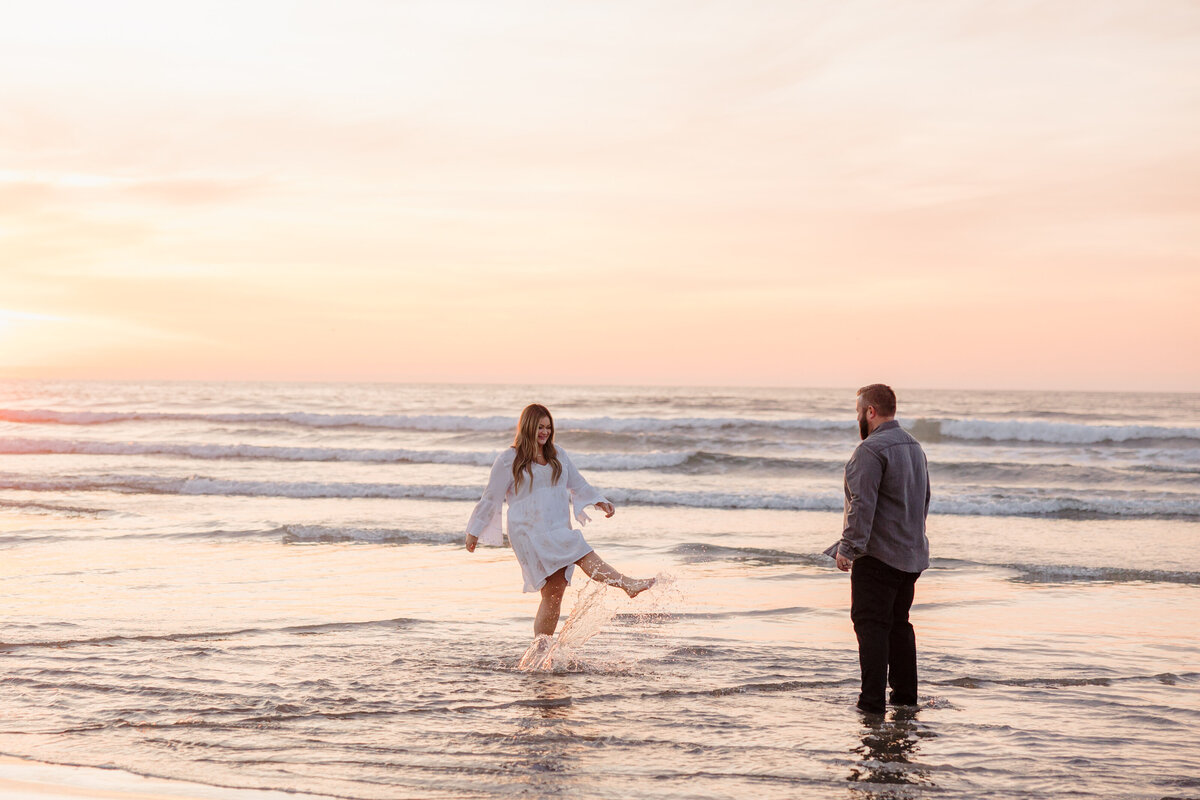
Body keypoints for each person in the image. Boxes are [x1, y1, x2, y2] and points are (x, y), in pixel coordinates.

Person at [464, 403, 656, 638]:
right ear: (527, 428)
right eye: (539, 427)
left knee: (554, 592)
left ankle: (541, 649)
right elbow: (491, 497)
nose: (544, 432)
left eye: (548, 427)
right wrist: (474, 531)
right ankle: (627, 584)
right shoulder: (509, 458)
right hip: (528, 530)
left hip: (555, 525)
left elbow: (578, 484)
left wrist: (598, 501)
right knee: (578, 548)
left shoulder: (558, 455)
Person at [828, 384, 930, 715]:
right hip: (910, 555)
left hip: (878, 556)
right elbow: (923, 500)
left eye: (859, 411)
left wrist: (849, 548)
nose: (858, 417)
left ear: (870, 411)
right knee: (899, 624)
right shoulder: (914, 447)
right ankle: (904, 700)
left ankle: (871, 704)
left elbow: (862, 504)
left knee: (870, 625)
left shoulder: (870, 451)